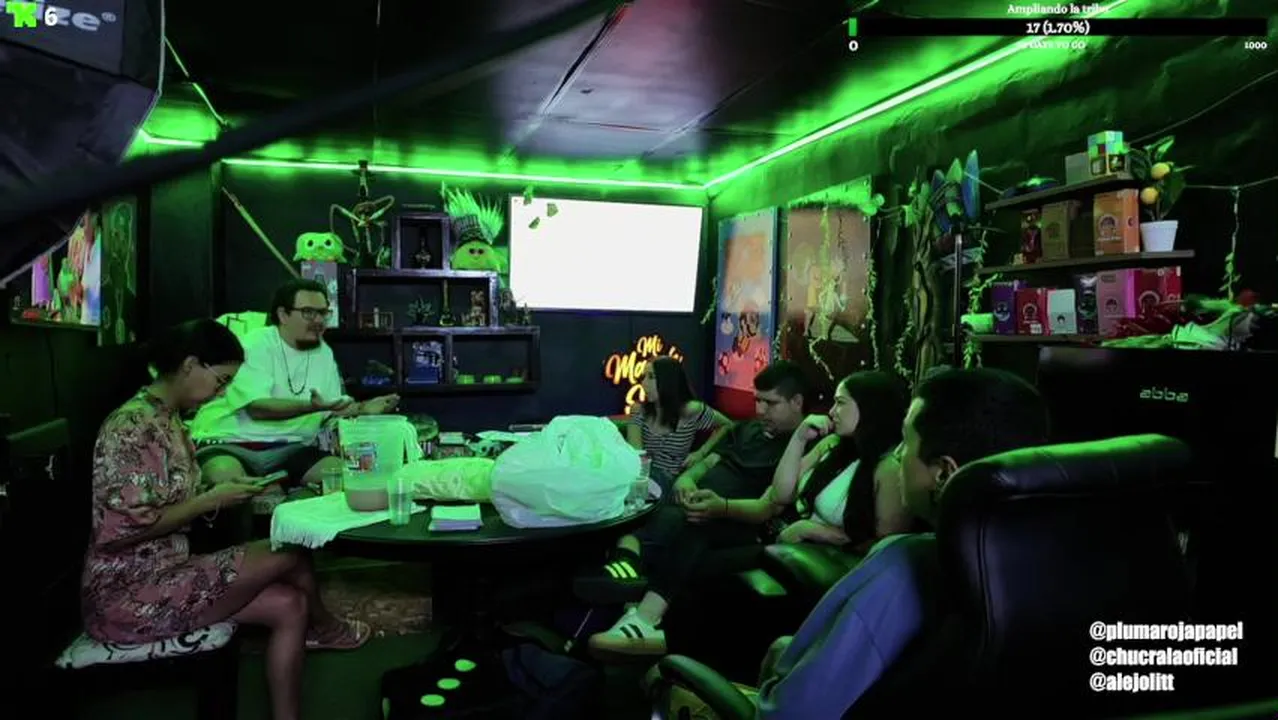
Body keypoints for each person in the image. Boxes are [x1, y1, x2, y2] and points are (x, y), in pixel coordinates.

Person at [664, 367, 1050, 718]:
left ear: (943, 472)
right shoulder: (1047, 569)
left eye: (906, 442)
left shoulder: (906, 564)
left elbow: (791, 713)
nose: (899, 454)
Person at [81, 319, 369, 720]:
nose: (223, 392)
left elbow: (166, 500)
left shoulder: (169, 419)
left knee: (290, 604)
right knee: (291, 552)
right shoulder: (131, 427)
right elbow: (122, 528)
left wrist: (220, 492)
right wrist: (209, 500)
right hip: (129, 593)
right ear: (190, 365)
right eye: (222, 380)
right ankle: (330, 629)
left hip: (170, 571)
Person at [582, 361, 810, 656]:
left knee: (694, 527)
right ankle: (617, 590)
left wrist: (720, 507)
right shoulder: (746, 429)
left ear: (797, 402)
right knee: (644, 514)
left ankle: (643, 617)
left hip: (737, 524)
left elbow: (769, 505)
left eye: (770, 403)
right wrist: (687, 479)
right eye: (757, 401)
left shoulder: (801, 445)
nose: (760, 410)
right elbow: (709, 462)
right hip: (695, 505)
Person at [191, 279, 399, 489]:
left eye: (323, 313)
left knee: (349, 478)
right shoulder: (256, 343)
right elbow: (258, 409)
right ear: (283, 315)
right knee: (224, 479)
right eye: (308, 312)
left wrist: (363, 408)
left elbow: (330, 407)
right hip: (233, 443)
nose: (319, 320)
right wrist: (311, 407)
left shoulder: (324, 353)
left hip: (292, 447)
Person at [684, 370, 913, 553]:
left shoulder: (888, 468)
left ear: (868, 408)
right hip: (782, 541)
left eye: (840, 403)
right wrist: (799, 438)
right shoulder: (832, 444)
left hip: (820, 561)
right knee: (690, 535)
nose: (832, 411)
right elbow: (779, 496)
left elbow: (886, 549)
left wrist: (814, 531)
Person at [626, 356, 733, 491]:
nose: (643, 383)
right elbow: (636, 454)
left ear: (668, 381)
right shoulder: (639, 410)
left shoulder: (691, 410)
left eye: (651, 377)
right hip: (643, 474)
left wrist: (701, 453)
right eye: (644, 377)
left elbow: (728, 425)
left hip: (670, 479)